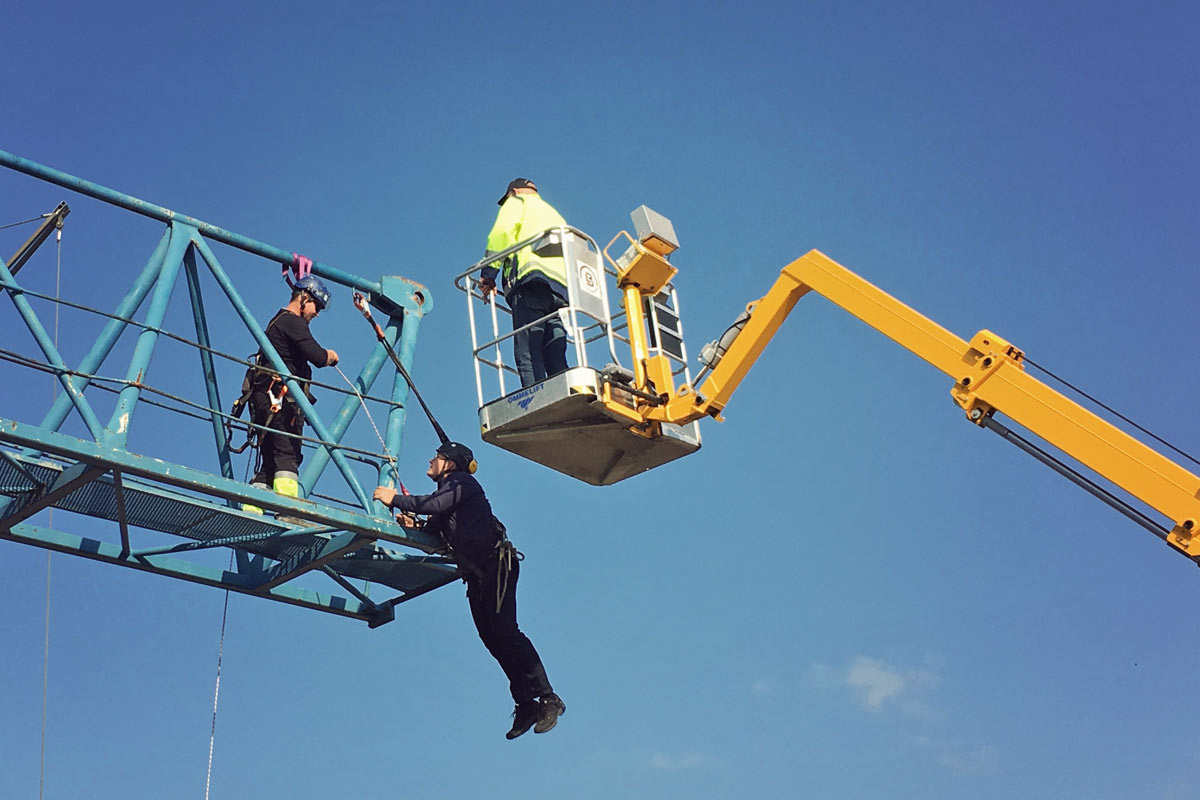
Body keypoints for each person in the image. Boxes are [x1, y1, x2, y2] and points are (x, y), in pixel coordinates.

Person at [372, 441, 565, 739]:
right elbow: (435, 524)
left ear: (449, 463)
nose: (431, 460)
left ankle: (549, 698)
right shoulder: (448, 493)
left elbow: (433, 505)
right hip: (478, 575)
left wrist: (393, 498)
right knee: (492, 639)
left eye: (436, 457)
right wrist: (413, 523)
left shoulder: (462, 482)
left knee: (506, 633)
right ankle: (525, 703)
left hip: (496, 566)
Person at [245, 275, 339, 505]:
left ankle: (253, 509)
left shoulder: (278, 321)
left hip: (266, 397)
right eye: (316, 306)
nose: (316, 313)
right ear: (304, 298)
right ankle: (288, 510)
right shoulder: (292, 322)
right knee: (288, 453)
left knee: (270, 459)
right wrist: (332, 356)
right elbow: (317, 356)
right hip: (278, 399)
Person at [480, 178, 571, 388]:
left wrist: (488, 274)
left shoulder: (517, 203)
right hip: (560, 291)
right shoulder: (553, 213)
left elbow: (501, 234)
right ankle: (563, 392)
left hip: (530, 283)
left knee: (528, 351)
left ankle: (536, 397)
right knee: (555, 354)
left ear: (513, 192)